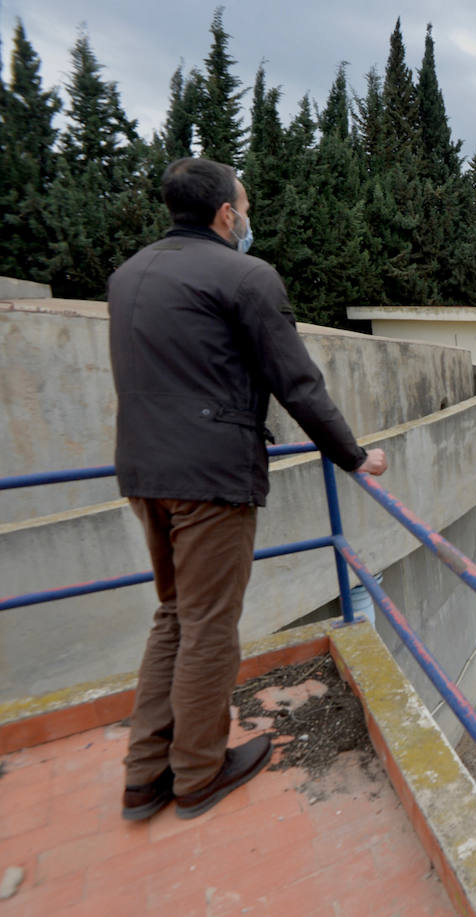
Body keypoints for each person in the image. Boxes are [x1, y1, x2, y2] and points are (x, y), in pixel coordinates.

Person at [108, 157, 387, 821]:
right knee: (208, 627)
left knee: (175, 614)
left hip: (143, 473)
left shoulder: (129, 276)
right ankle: (199, 772)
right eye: (246, 207)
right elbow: (299, 384)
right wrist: (353, 456)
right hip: (211, 479)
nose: (249, 220)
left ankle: (144, 774)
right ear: (225, 215)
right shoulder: (245, 275)